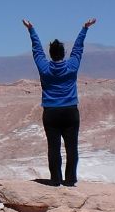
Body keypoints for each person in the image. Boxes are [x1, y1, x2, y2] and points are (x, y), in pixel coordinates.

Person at [22, 17, 97, 186]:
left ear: (51, 54)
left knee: (53, 148)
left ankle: (55, 179)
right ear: (63, 54)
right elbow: (78, 49)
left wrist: (31, 30)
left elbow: (37, 51)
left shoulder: (44, 68)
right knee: (72, 147)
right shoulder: (71, 66)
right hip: (70, 112)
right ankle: (70, 180)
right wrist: (85, 28)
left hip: (51, 113)